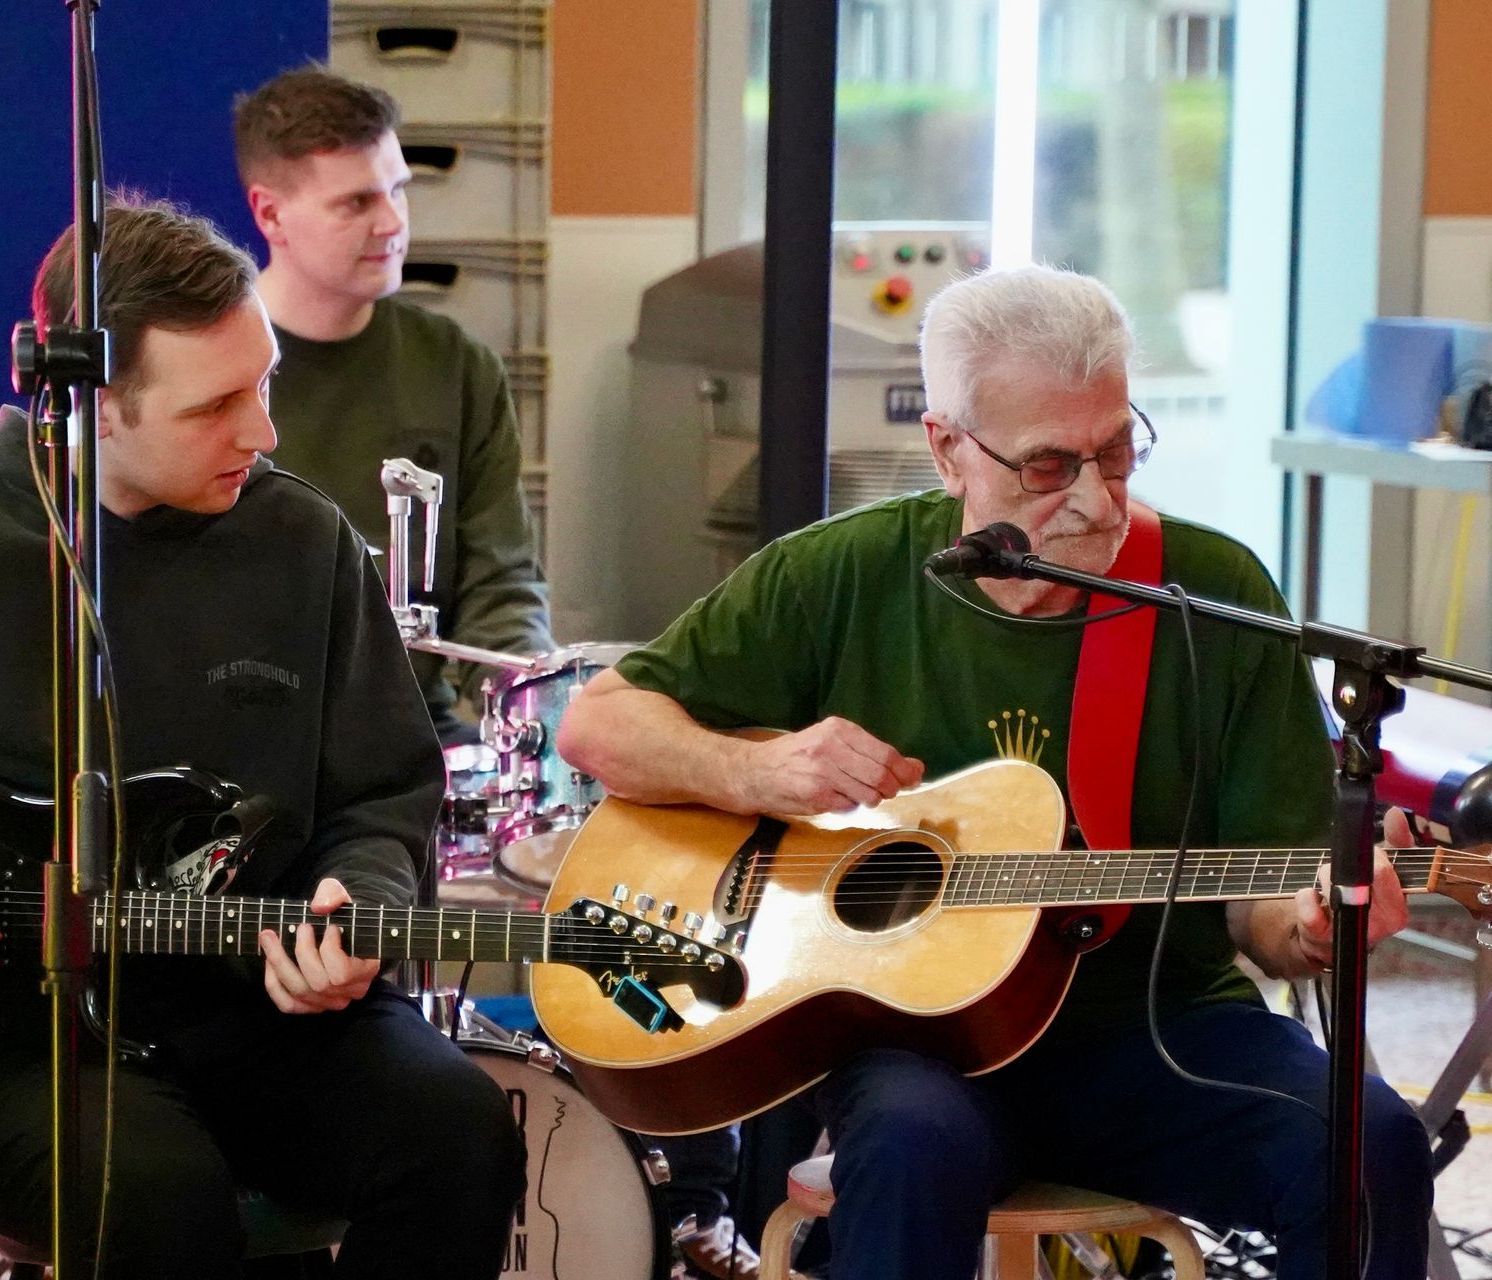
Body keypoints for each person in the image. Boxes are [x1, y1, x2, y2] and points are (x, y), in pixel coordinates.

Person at [557, 264, 1435, 1279]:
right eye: (1049, 463)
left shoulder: (1213, 593)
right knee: (908, 1143)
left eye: (1116, 447)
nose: (1097, 497)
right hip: (919, 1043)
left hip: (1163, 1032)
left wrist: (1315, 922)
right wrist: (760, 771)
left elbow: (1267, 908)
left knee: (1371, 1145)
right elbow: (598, 721)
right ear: (946, 449)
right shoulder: (836, 574)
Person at [0, 198, 524, 1277]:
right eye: (218, 404)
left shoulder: (302, 539)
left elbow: (383, 793)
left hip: (254, 1004)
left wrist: (362, 900)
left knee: (457, 1132)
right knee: (153, 1190)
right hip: (29, 1031)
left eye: (266, 382)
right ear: (89, 406)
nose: (264, 432)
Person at [233, 65, 552, 742]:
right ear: (269, 214)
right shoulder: (210, 369)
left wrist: (525, 696)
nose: (392, 223)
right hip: (244, 733)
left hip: (412, 732)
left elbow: (501, 578)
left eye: (397, 191)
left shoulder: (458, 365)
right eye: (355, 203)